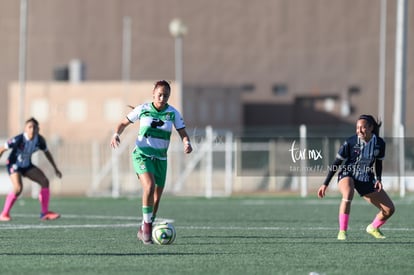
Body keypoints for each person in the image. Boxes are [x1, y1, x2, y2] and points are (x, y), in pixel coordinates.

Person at [110, 80, 193, 244]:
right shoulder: (143, 109)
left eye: (166, 95)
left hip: (161, 158)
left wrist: (186, 143)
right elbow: (122, 123)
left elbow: (183, 132)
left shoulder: (173, 113)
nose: (162, 98)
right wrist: (116, 134)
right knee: (149, 186)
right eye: (160, 94)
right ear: (153, 93)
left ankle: (144, 225)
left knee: (156, 198)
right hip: (142, 154)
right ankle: (147, 227)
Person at [317, 114, 395, 240]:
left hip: (366, 177)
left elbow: (378, 163)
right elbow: (337, 163)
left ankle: (373, 227)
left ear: (370, 128)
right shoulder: (350, 142)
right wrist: (325, 183)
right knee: (348, 194)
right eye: (357, 128)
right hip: (347, 174)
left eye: (362, 128)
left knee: (389, 209)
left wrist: (379, 179)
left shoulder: (379, 143)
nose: (359, 131)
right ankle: (342, 231)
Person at [0, 117, 62, 221]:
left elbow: (47, 153)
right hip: (14, 164)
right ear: (25, 129)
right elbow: (2, 148)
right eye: (30, 127)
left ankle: (44, 213)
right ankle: (4, 214)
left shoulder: (40, 140)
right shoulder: (19, 139)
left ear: (38, 129)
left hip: (27, 165)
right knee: (18, 188)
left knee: (44, 181)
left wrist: (55, 168)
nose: (32, 129)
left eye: (34, 127)